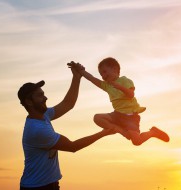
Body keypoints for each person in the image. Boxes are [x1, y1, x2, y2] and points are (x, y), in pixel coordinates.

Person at [18, 62, 114, 190]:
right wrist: (103, 133)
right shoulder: (37, 130)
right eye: (40, 96)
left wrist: (76, 77)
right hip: (36, 187)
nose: (45, 97)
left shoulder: (44, 115)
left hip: (50, 184)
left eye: (43, 93)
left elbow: (68, 103)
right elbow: (72, 146)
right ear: (29, 102)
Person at [75, 57, 170, 146]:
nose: (103, 76)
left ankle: (153, 132)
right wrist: (81, 71)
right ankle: (121, 131)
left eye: (105, 72)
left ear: (115, 69)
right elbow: (92, 79)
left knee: (137, 141)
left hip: (131, 117)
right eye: (101, 74)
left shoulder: (125, 80)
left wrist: (120, 87)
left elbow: (131, 94)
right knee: (97, 118)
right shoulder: (107, 86)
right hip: (117, 115)